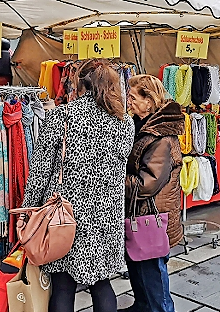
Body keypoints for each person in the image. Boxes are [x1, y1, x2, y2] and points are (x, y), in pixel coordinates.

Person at [22, 59, 135, 312]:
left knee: (63, 285)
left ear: (79, 83)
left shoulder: (62, 117)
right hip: (106, 215)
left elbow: (40, 171)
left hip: (65, 213)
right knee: (102, 284)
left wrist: (29, 210)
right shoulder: (124, 122)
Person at [123, 75, 185, 312]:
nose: (129, 101)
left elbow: (147, 183)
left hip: (152, 215)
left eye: (133, 97)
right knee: (139, 265)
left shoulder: (161, 137)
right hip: (141, 213)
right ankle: (143, 305)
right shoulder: (142, 127)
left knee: (151, 271)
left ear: (149, 101)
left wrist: (116, 180)